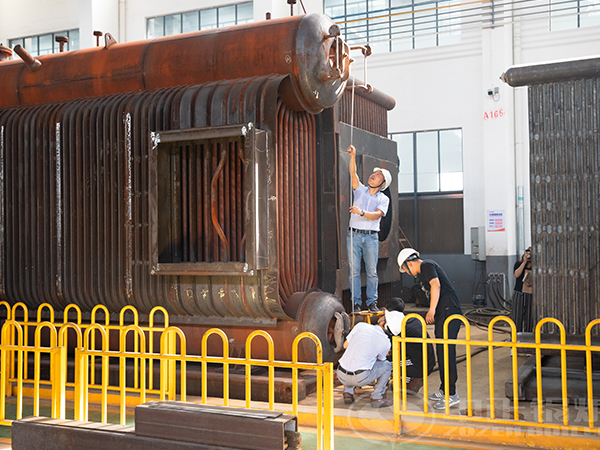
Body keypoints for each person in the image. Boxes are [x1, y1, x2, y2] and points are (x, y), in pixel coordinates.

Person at [397, 248, 463, 409]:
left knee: (446, 352)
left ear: (409, 263)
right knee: (441, 351)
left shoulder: (426, 265)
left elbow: (436, 285)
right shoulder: (422, 273)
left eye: (406, 269)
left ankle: (451, 394)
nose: (407, 272)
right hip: (443, 313)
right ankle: (444, 389)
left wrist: (431, 309)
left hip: (449, 311)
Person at [346, 144, 392, 313]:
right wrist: (353, 156)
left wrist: (362, 212)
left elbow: (377, 215)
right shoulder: (360, 190)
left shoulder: (383, 199)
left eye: (378, 175)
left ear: (383, 183)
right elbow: (353, 173)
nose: (374, 175)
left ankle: (372, 302)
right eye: (374, 173)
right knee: (354, 272)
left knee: (372, 272)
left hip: (371, 237)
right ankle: (356, 304)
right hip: (353, 235)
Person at [337, 309, 403, 408]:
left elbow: (345, 345)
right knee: (387, 365)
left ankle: (347, 392)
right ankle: (376, 397)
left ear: (382, 321)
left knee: (353, 356)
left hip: (341, 374)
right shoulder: (386, 343)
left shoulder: (360, 326)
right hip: (361, 378)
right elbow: (380, 360)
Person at [383, 297, 436, 394]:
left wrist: (381, 326)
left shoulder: (396, 328)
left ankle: (414, 380)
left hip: (417, 364)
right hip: (427, 361)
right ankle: (408, 382)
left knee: (384, 365)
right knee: (395, 360)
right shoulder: (411, 320)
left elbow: (391, 348)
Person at [511, 247, 533, 332]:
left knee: (529, 318)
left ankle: (528, 337)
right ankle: (516, 336)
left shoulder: (536, 266)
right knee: (517, 316)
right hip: (519, 293)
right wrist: (524, 263)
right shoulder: (519, 264)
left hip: (531, 294)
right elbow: (516, 275)